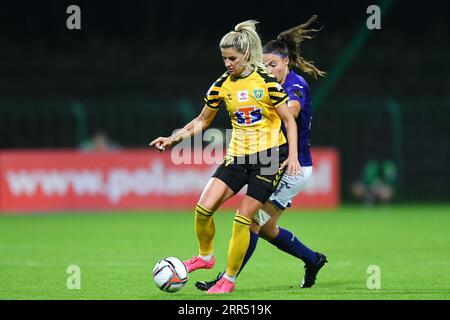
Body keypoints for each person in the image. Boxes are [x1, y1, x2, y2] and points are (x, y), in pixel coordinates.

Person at [149, 20, 301, 294]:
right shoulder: (221, 85)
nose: (227, 63)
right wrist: (173, 138)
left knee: (242, 219)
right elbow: (202, 121)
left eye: (232, 58)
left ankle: (228, 280)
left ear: (245, 55)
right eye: (224, 58)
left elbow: (289, 121)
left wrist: (292, 157)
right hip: (238, 156)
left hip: (269, 158)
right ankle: (205, 257)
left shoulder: (265, 80)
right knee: (203, 209)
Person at [195, 15, 328, 291]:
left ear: (286, 63)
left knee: (252, 223)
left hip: (294, 167)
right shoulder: (265, 82)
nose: (268, 68)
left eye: (273, 64)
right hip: (276, 162)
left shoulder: (295, 86)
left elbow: (290, 111)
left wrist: (266, 105)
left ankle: (225, 280)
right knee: (266, 228)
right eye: (264, 64)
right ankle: (313, 259)